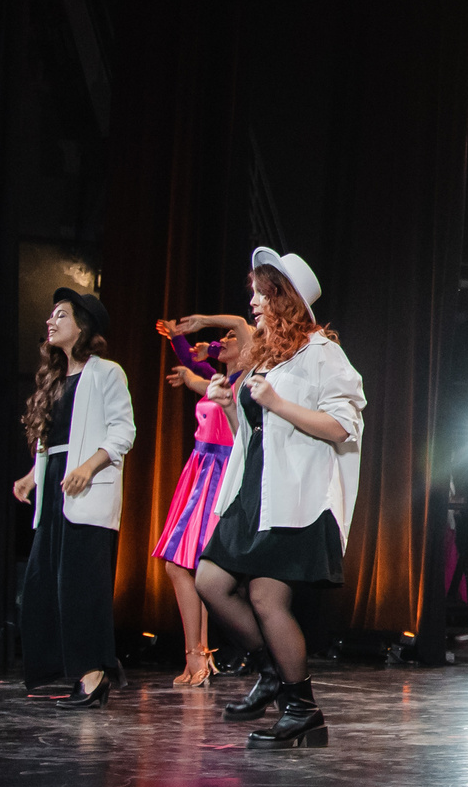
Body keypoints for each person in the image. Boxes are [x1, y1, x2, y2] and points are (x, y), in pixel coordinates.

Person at [196, 250, 366, 750]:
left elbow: (342, 426)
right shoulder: (267, 354)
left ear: (282, 296)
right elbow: (256, 433)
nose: (251, 301)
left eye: (259, 292)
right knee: (210, 580)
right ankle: (273, 672)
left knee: (266, 597)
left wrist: (279, 403)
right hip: (255, 489)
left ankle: (301, 709)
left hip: (295, 496)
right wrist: (231, 407)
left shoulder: (321, 353)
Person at [12, 287, 138, 708]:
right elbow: (53, 440)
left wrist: (88, 467)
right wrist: (33, 475)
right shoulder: (54, 378)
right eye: (51, 316)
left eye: (61, 315)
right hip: (55, 489)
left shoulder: (106, 373)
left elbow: (124, 432)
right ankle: (70, 669)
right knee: (45, 583)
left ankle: (95, 673)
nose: (51, 321)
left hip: (86, 487)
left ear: (83, 326)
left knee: (81, 586)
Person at [150, 316, 250, 686]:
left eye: (230, 338)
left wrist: (207, 327)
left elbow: (201, 375)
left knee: (190, 566)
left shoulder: (244, 383)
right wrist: (179, 339)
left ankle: (199, 657)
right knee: (182, 565)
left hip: (219, 474)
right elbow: (193, 367)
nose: (222, 340)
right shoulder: (218, 377)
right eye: (219, 338)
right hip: (199, 469)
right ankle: (197, 657)